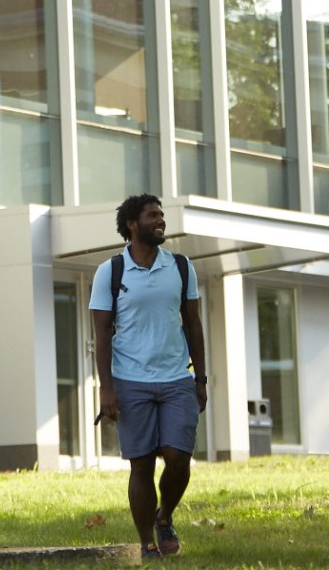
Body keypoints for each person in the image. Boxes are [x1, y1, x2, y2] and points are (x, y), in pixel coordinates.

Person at [90, 194, 207, 557]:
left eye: (161, 215)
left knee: (178, 456)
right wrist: (106, 388)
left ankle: (165, 516)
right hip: (129, 380)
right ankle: (145, 546)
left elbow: (194, 324)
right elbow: (102, 334)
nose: (160, 221)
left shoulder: (182, 267)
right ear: (131, 225)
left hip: (176, 378)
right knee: (140, 463)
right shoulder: (111, 271)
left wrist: (200, 379)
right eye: (152, 215)